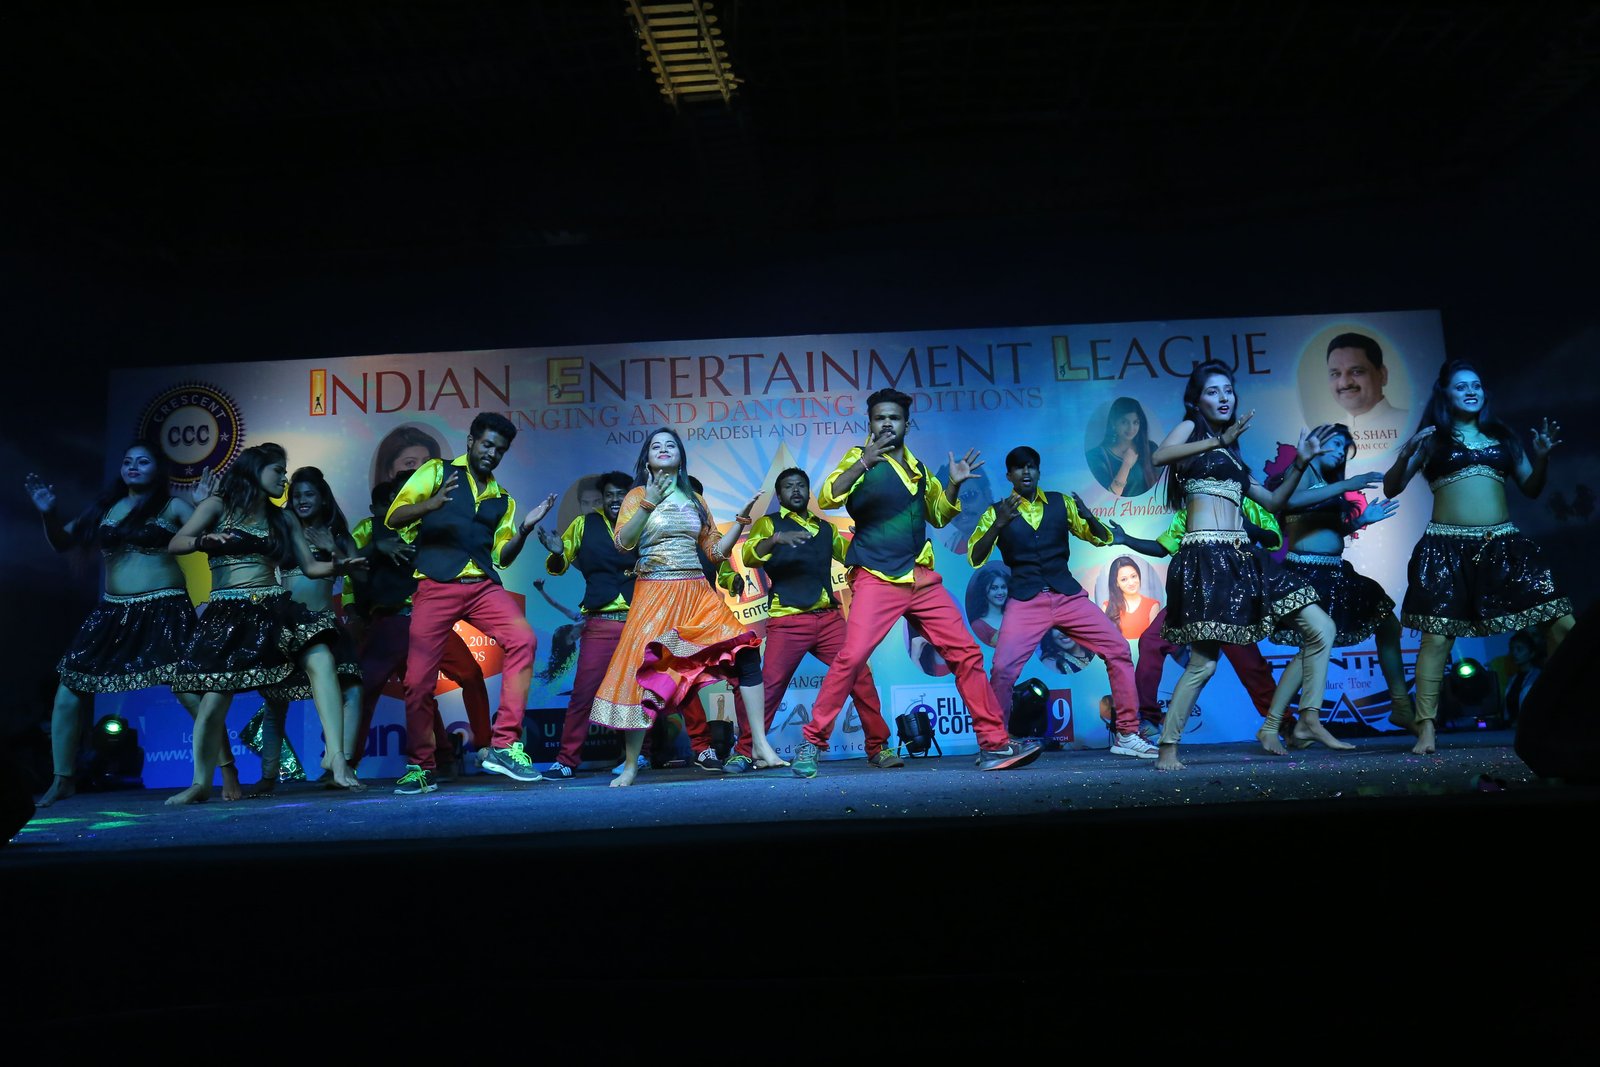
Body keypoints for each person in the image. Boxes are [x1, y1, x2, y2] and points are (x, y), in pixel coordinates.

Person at [795, 388, 1043, 777]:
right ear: (870, 423)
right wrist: (864, 462)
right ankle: (811, 743)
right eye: (880, 418)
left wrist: (954, 484)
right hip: (877, 575)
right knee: (852, 657)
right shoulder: (859, 458)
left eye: (894, 418)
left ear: (906, 424)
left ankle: (994, 743)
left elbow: (939, 516)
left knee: (967, 654)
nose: (887, 424)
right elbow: (828, 497)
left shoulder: (919, 469)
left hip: (920, 577)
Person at [1150, 360, 1345, 769]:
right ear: (1196, 400)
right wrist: (1216, 441)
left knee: (1321, 627)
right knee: (1204, 664)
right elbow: (1159, 456)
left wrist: (1300, 464)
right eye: (1213, 391)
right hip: (1205, 558)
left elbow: (1273, 502)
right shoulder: (1191, 430)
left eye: (1228, 390)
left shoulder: (1233, 454)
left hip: (1243, 558)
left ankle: (1306, 719)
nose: (1224, 397)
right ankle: (1168, 745)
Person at [25, 443, 237, 806]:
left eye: (143, 461)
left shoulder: (173, 507)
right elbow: (63, 543)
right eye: (127, 461)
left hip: (165, 609)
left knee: (190, 692)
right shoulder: (105, 509)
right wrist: (49, 513)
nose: (133, 466)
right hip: (114, 612)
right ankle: (63, 779)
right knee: (69, 687)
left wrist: (205, 505)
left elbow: (213, 538)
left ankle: (228, 770)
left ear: (159, 469)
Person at [1382, 359, 1573, 754]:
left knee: (1563, 624)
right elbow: (1391, 487)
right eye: (1461, 386)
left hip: (1504, 546)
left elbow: (1531, 488)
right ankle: (1426, 727)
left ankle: (1560, 712)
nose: (1471, 391)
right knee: (1437, 638)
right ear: (1445, 394)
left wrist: (1541, 458)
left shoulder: (1502, 436)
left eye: (1476, 385)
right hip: (1447, 549)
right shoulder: (1432, 439)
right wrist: (1405, 455)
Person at [165, 443, 367, 803]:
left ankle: (337, 759)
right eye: (278, 471)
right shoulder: (217, 506)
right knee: (213, 699)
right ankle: (200, 783)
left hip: (272, 607)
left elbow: (310, 567)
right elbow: (176, 543)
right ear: (255, 469)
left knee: (321, 658)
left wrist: (340, 564)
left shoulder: (282, 519)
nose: (284, 479)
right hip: (228, 611)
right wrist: (203, 540)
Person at [588, 428, 787, 786]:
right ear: (647, 458)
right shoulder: (636, 495)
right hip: (654, 592)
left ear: (680, 456)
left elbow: (715, 552)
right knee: (641, 673)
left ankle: (759, 744)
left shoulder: (695, 500)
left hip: (696, 592)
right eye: (656, 446)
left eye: (670, 445)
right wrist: (648, 502)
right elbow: (623, 543)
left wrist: (740, 522)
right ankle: (631, 765)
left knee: (745, 653)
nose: (663, 449)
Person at [384, 413, 554, 793]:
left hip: (481, 587)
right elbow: (395, 517)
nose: (492, 453)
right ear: (471, 442)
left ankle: (504, 745)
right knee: (417, 681)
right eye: (487, 444)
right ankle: (421, 766)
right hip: (435, 585)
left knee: (524, 639)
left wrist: (524, 529)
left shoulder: (502, 499)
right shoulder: (437, 471)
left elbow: (503, 556)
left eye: (500, 450)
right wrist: (430, 505)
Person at [967, 446, 1156, 758]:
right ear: (1009, 475)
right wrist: (998, 524)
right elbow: (975, 557)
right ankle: (996, 743)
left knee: (1119, 649)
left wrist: (1089, 516)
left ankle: (1126, 733)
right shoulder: (996, 511)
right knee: (1002, 669)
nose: (1026, 472)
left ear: (1038, 471)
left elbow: (1101, 538)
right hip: (1026, 601)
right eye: (1019, 468)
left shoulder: (1061, 502)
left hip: (1066, 596)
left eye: (1031, 466)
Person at [730, 467, 900, 773]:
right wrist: (776, 539)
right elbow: (750, 556)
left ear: (808, 493)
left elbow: (853, 556)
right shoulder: (769, 524)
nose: (795, 490)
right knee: (768, 689)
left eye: (800, 486)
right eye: (788, 486)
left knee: (860, 676)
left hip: (828, 619)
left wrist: (872, 538)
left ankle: (878, 747)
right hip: (788, 620)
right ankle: (745, 750)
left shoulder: (826, 528)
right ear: (779, 494)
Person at [341, 475, 493, 785]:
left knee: (468, 674)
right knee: (366, 690)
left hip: (428, 620)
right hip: (389, 623)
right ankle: (346, 763)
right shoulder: (370, 528)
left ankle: (482, 749)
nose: (413, 498)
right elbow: (348, 567)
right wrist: (375, 550)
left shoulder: (429, 525)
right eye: (405, 493)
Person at [1266, 424, 1413, 741]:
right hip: (1306, 573)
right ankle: (1274, 725)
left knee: (1387, 624)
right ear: (1315, 443)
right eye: (1333, 443)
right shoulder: (1301, 471)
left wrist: (1360, 521)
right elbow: (1289, 502)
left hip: (1336, 572)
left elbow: (1328, 532)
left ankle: (1401, 705)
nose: (1339, 451)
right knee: (1312, 646)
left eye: (1343, 447)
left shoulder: (1328, 482)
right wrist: (1347, 485)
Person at [1109, 507, 1283, 737]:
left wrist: (1248, 526)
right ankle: (1149, 718)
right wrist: (1126, 539)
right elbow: (1163, 548)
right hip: (1192, 597)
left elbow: (1274, 540)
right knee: (1151, 640)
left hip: (1230, 598)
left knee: (1249, 663)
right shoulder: (1189, 511)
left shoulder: (1245, 504)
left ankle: (1284, 724)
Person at [245, 466, 366, 790]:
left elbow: (362, 576)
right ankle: (268, 775)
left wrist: (333, 547)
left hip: (325, 624)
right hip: (286, 623)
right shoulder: (284, 530)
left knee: (353, 691)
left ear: (323, 498)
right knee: (275, 700)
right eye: (296, 495)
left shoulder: (338, 535)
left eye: (309, 494)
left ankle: (340, 765)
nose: (301, 500)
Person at [533, 470, 638, 780]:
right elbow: (559, 564)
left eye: (621, 494)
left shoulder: (642, 523)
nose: (615, 499)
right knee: (583, 694)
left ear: (631, 498)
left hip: (638, 622)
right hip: (601, 623)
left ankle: (642, 755)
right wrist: (557, 554)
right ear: (602, 499)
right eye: (609, 495)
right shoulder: (584, 524)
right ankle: (566, 760)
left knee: (641, 692)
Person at [1326, 333, 1409, 459]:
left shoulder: (1412, 423)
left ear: (1382, 374)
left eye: (1356, 372)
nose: (1344, 383)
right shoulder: (1327, 436)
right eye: (1335, 374)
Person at [1087, 396, 1159, 497]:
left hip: (1149, 506)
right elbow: (1107, 497)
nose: (1131, 428)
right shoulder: (1097, 456)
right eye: (1124, 422)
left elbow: (1161, 487)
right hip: (1114, 507)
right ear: (1113, 422)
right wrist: (1126, 465)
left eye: (1135, 422)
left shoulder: (1150, 448)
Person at [1101, 555, 1161, 641]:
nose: (1131, 583)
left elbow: (1154, 641)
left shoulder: (1153, 605)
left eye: (1133, 576)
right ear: (1116, 583)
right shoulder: (1107, 606)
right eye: (1124, 579)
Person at [964, 565, 1010, 647]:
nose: (1000, 592)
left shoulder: (1013, 616)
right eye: (994, 588)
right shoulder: (978, 626)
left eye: (1003, 587)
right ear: (984, 591)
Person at [1502, 630, 1543, 722]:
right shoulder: (1513, 679)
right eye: (1512, 649)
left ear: (1532, 653)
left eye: (1519, 649)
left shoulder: (1538, 677)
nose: (1514, 653)